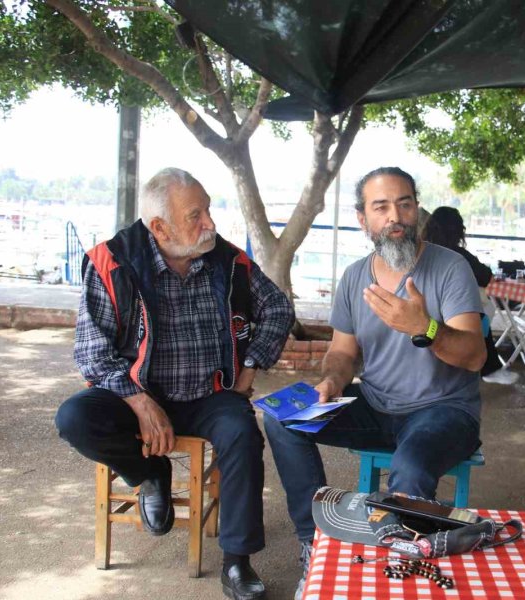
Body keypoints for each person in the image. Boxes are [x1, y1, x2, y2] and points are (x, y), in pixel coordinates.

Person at [54, 168, 294, 600]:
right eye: (196, 215)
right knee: (75, 417)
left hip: (210, 393)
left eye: (208, 211)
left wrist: (252, 364)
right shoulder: (111, 262)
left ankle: (237, 561)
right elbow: (92, 352)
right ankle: (150, 473)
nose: (210, 225)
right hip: (138, 393)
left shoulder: (228, 260)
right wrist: (140, 402)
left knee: (241, 434)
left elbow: (277, 307)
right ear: (159, 227)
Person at [263, 167, 486, 599]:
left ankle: (396, 575)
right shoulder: (353, 277)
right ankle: (316, 541)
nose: (395, 216)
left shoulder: (449, 268)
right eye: (381, 207)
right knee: (281, 419)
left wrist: (425, 328)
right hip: (376, 402)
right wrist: (330, 381)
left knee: (410, 467)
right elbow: (344, 354)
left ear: (416, 209)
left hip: (444, 409)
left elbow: (474, 356)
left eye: (404, 203)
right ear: (362, 218)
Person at [423, 206, 518, 385]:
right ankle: (489, 368)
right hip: (455, 316)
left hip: (426, 313)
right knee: (480, 315)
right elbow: (486, 277)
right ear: (458, 230)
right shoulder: (459, 255)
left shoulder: (423, 250)